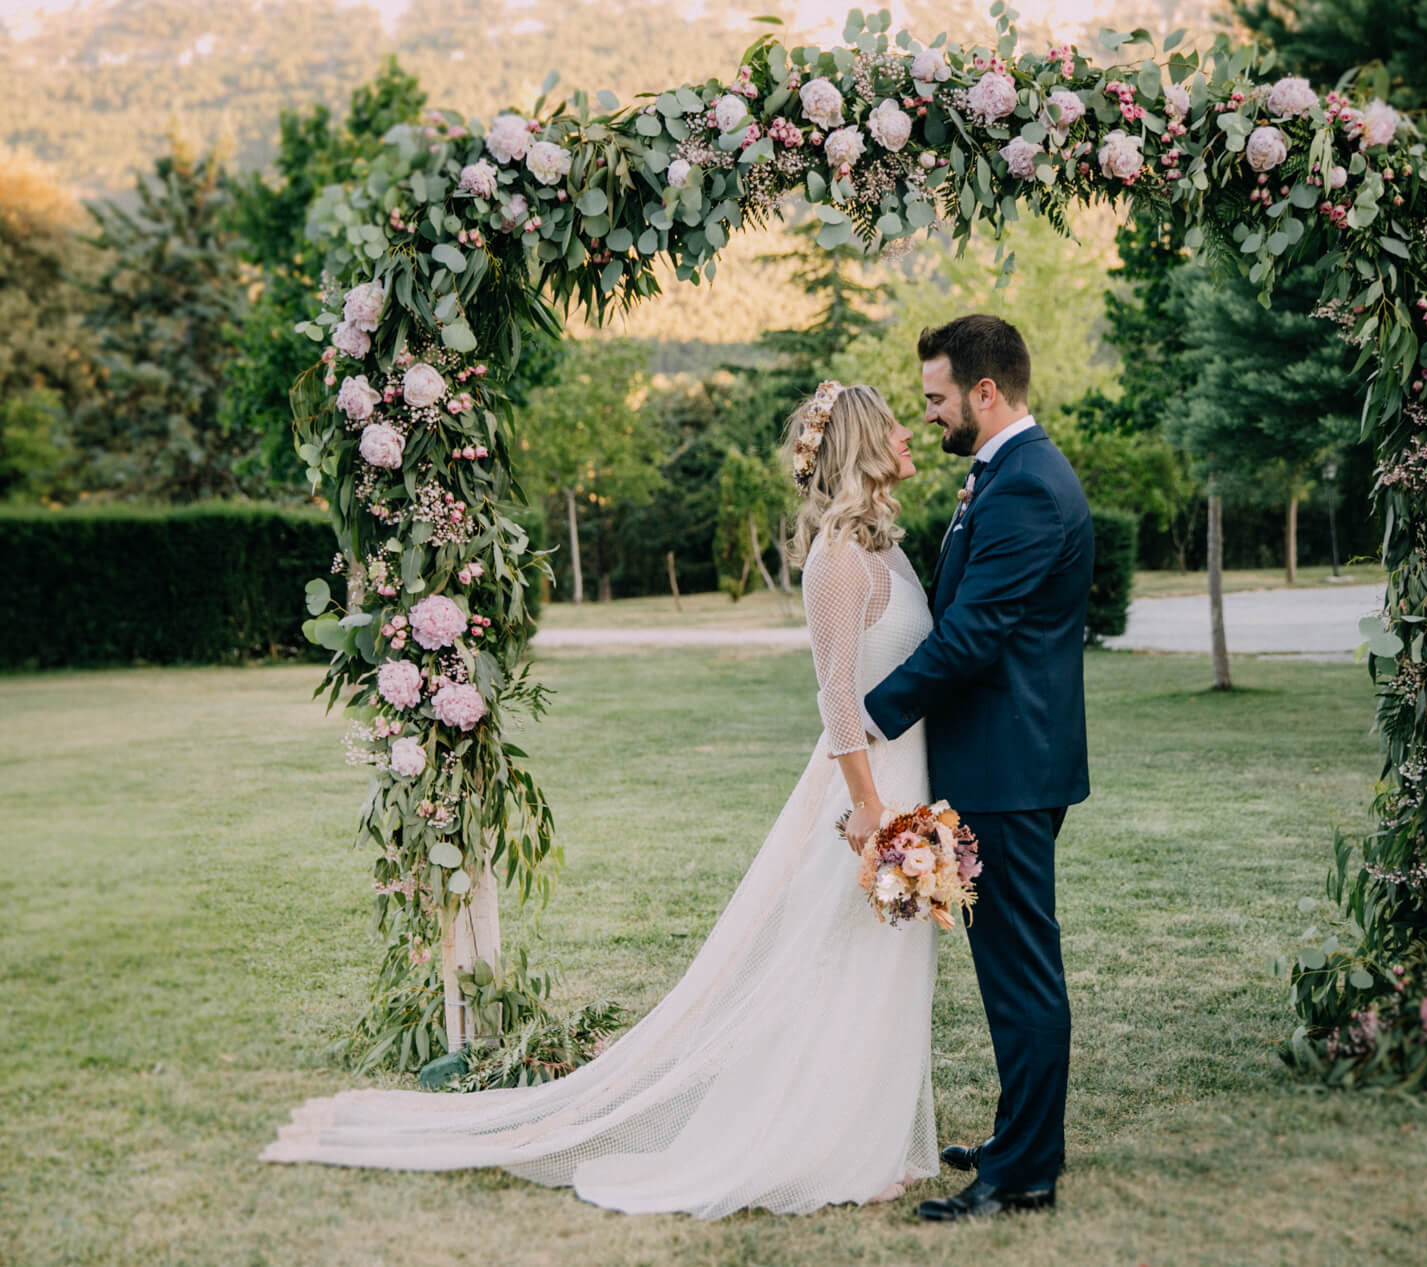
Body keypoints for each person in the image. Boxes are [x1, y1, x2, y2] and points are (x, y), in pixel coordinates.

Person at [260, 384, 943, 1219]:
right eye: (897, 424)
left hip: (910, 783)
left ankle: (865, 1133)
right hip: (867, 795)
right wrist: (870, 810)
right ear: (865, 444)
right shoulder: (835, 557)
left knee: (886, 964)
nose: (912, 431)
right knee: (835, 961)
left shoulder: (889, 550)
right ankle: (817, 1140)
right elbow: (835, 695)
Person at [863, 314, 1094, 1222]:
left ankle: (1024, 1173)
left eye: (936, 397)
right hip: (1005, 760)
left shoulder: (1027, 486)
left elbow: (973, 634)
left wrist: (871, 713)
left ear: (984, 392)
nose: (929, 415)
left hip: (1010, 767)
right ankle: (1018, 1136)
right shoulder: (1003, 475)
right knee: (1008, 967)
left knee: (1022, 969)